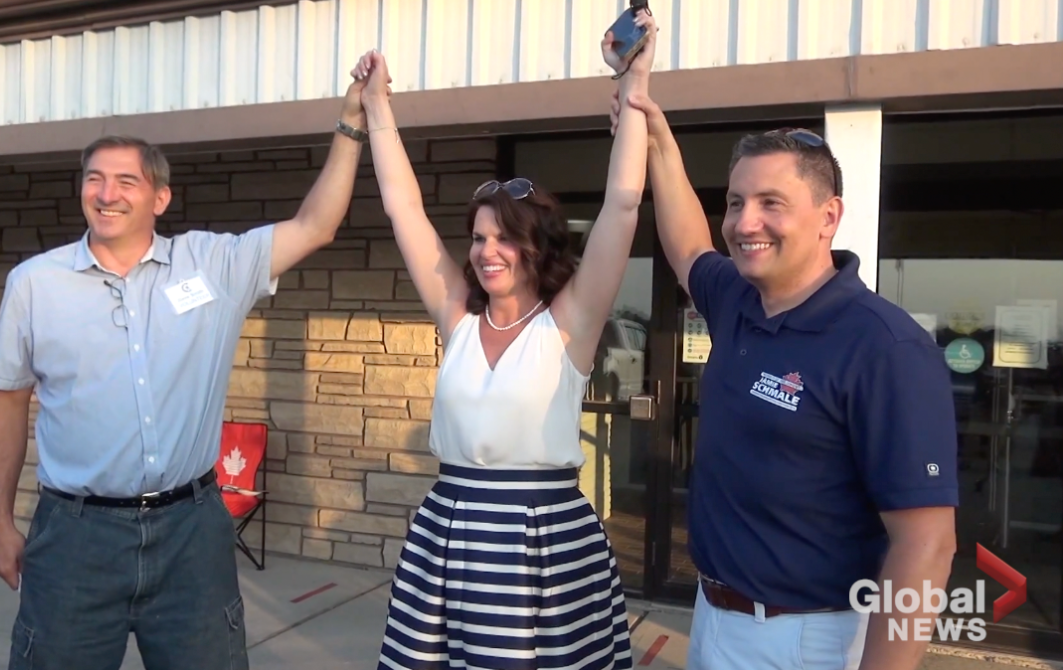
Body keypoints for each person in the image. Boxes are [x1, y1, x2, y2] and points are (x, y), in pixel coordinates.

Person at [0, 73, 370, 670]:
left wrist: (350, 123)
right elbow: (6, 403)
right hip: (76, 538)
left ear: (159, 197)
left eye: (126, 181)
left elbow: (316, 225)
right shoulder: (35, 284)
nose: (107, 194)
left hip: (192, 534)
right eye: (94, 179)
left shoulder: (212, 265)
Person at [608, 93, 959, 669]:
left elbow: (926, 544)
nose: (746, 223)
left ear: (829, 217)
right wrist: (657, 143)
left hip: (805, 642)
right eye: (737, 201)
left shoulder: (885, 348)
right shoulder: (739, 300)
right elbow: (689, 245)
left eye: (772, 202)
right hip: (713, 615)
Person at [352, 11, 655, 670]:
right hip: (448, 535)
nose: (488, 252)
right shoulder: (457, 315)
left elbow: (623, 205)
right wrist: (378, 108)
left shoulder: (567, 324)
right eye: (479, 237)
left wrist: (636, 82)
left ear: (535, 245)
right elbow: (403, 207)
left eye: (505, 237)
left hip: (544, 544)